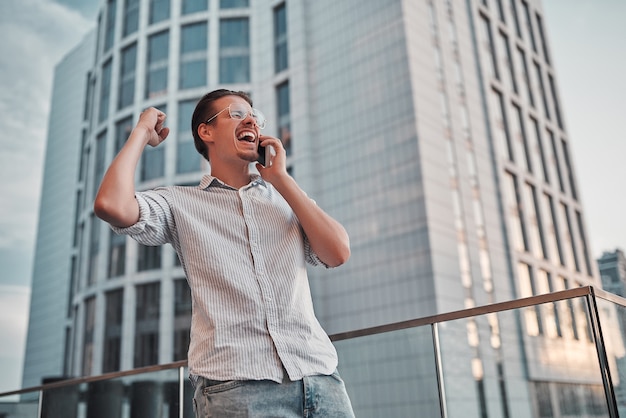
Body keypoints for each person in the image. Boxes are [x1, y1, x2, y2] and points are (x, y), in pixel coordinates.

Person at [94, 89, 355, 417]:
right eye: (235, 114)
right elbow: (110, 205)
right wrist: (141, 132)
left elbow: (337, 252)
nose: (251, 121)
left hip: (320, 380)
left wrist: (280, 179)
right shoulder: (180, 202)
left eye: (254, 117)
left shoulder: (285, 199)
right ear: (207, 132)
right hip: (237, 389)